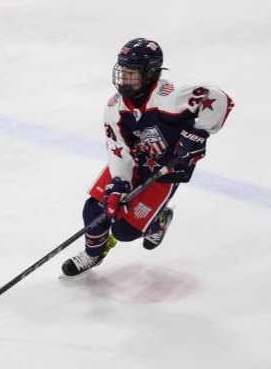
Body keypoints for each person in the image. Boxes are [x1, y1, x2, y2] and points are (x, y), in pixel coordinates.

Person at [61, 38, 234, 276]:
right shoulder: (114, 107)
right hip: (132, 163)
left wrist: (198, 133)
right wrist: (119, 182)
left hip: (165, 171)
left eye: (132, 73)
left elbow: (217, 96)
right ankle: (94, 254)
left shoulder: (171, 97)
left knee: (124, 231)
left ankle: (158, 220)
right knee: (96, 209)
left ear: (150, 72)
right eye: (123, 71)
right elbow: (118, 147)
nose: (124, 78)